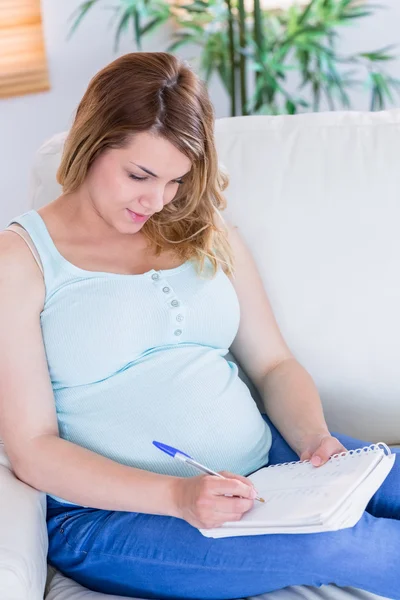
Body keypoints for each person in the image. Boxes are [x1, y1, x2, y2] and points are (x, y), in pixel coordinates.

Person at [0, 52, 399, 600]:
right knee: (343, 544)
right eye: (139, 175)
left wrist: (312, 439)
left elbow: (274, 363)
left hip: (272, 464)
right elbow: (33, 449)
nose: (156, 199)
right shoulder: (20, 261)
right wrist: (179, 498)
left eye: (174, 180)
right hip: (117, 519)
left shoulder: (200, 228)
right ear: (90, 145)